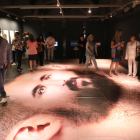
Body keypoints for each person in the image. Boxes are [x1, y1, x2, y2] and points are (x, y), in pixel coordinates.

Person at [0, 28, 12, 104]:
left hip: (3, 64)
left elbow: (9, 53)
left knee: (3, 79)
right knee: (0, 79)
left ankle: (1, 91)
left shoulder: (5, 41)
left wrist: (9, 62)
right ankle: (3, 95)